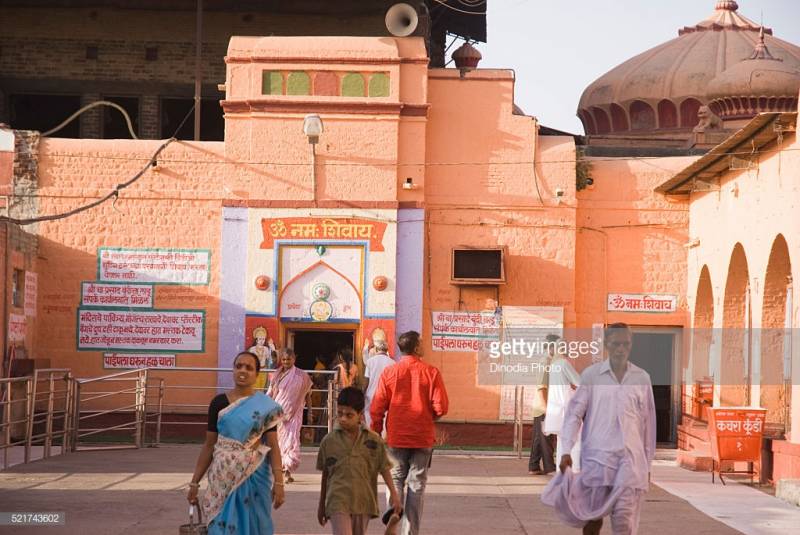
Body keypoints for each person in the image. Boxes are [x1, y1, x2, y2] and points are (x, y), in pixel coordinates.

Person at [541, 323, 656, 535]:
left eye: (626, 344)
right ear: (606, 345)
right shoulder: (591, 376)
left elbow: (649, 424)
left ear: (631, 345)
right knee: (592, 519)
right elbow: (575, 413)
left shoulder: (642, 378)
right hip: (597, 460)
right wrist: (566, 449)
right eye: (616, 344)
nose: (621, 349)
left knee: (624, 519)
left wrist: (647, 465)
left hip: (629, 461)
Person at [187, 351, 285, 535]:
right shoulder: (219, 403)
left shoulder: (266, 407)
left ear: (257, 374)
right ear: (232, 370)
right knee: (220, 526)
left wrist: (279, 483)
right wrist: (194, 483)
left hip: (254, 475)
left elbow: (274, 446)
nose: (242, 370)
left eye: (249, 368)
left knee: (255, 526)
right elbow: (209, 445)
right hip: (222, 477)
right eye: (238, 366)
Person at [370, 330, 449, 535]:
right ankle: (410, 531)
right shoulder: (431, 372)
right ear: (415, 347)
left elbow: (377, 406)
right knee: (417, 485)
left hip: (396, 437)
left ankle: (394, 514)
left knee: (395, 479)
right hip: (422, 438)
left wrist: (377, 430)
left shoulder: (390, 373)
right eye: (421, 342)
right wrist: (429, 417)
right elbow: (441, 407)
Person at [317, 387, 402, 535]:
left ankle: (391, 529)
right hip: (337, 500)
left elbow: (384, 468)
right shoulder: (328, 441)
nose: (343, 418)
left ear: (360, 415)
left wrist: (394, 495)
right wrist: (321, 505)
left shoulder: (374, 441)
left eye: (349, 415)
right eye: (340, 413)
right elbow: (325, 476)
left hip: (363, 500)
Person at [268, 347, 313, 483]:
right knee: (280, 442)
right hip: (278, 413)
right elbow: (270, 394)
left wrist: (310, 412)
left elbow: (308, 396)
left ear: (294, 359)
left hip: (294, 414)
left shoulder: (302, 376)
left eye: (289, 359)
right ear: (281, 360)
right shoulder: (276, 375)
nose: (286, 362)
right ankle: (281, 469)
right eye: (284, 359)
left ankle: (287, 471)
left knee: (292, 441)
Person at [543, 334, 582, 471]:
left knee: (561, 439)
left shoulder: (553, 365)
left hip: (555, 407)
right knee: (576, 437)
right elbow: (579, 382)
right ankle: (576, 467)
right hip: (566, 405)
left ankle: (562, 468)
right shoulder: (564, 363)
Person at [528, 339, 555, 475]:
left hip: (539, 406)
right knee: (546, 437)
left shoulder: (546, 361)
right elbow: (541, 387)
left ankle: (534, 466)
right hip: (543, 405)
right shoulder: (546, 362)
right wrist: (546, 408)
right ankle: (550, 467)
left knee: (539, 438)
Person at [363, 339, 396, 428]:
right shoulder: (393, 363)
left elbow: (366, 381)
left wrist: (362, 394)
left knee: (370, 421)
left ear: (376, 349)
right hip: (386, 397)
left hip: (371, 396)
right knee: (384, 420)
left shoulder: (370, 361)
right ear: (387, 350)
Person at [248, 326, 276, 390]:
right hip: (255, 370)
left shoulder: (266, 349)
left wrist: (273, 349)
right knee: (254, 387)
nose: (261, 341)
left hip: (264, 370)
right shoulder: (252, 349)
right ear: (256, 340)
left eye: (263, 339)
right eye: (260, 339)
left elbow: (270, 361)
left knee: (262, 388)